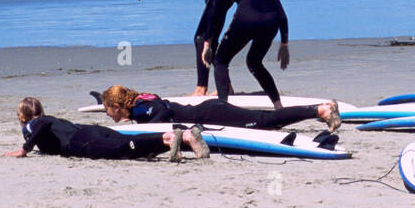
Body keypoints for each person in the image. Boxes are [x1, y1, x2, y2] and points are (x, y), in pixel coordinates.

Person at [200, 0, 289, 107]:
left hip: (247, 20)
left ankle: (223, 107)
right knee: (255, 62)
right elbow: (280, 11)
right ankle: (278, 106)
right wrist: (284, 43)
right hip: (271, 22)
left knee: (220, 60)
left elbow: (213, 9)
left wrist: (207, 42)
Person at [4, 97, 208, 162]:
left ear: (23, 117)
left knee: (125, 149)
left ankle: (171, 137)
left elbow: (42, 125)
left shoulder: (33, 124)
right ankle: (185, 136)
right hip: (93, 130)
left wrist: (25, 148)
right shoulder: (53, 119)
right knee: (133, 145)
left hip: (82, 141)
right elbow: (47, 124)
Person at [100, 85, 341, 136]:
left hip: (211, 115)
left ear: (118, 106)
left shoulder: (143, 110)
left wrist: (147, 130)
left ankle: (321, 110)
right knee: (268, 123)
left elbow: (160, 110)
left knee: (264, 121)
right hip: (208, 110)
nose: (109, 115)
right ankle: (319, 110)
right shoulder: (142, 98)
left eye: (108, 110)